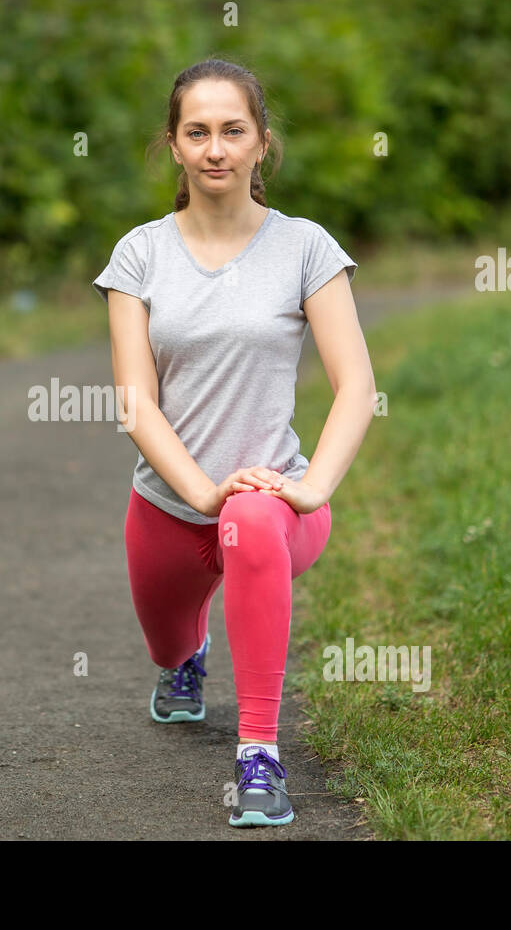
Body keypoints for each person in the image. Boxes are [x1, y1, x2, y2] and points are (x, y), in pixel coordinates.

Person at [92, 58, 376, 827]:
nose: (215, 148)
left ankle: (260, 756)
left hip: (274, 503)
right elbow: (134, 400)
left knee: (249, 520)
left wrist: (310, 487)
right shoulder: (141, 254)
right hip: (169, 506)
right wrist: (200, 491)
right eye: (198, 132)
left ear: (261, 145)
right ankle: (185, 657)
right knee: (165, 641)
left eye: (232, 131)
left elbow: (356, 385)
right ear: (175, 148)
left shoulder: (306, 248)